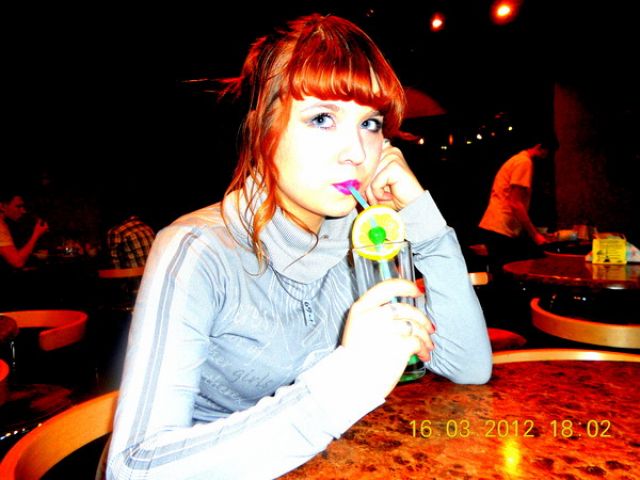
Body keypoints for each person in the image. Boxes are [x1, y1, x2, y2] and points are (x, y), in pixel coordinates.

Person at [107, 13, 492, 479]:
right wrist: (346, 380)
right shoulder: (197, 251)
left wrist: (422, 221)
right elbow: (133, 467)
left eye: (370, 123)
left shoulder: (366, 242)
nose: (356, 152)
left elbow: (467, 365)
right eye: (323, 118)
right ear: (263, 129)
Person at [478, 138, 557, 270]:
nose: (546, 157)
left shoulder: (516, 160)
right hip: (501, 228)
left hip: (495, 225)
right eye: (547, 152)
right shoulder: (524, 162)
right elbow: (515, 203)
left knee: (501, 271)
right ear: (539, 146)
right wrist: (535, 235)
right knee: (509, 271)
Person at [0, 190, 49, 270]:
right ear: (2, 206)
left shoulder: (4, 224)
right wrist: (36, 234)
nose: (23, 211)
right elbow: (17, 262)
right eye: (18, 206)